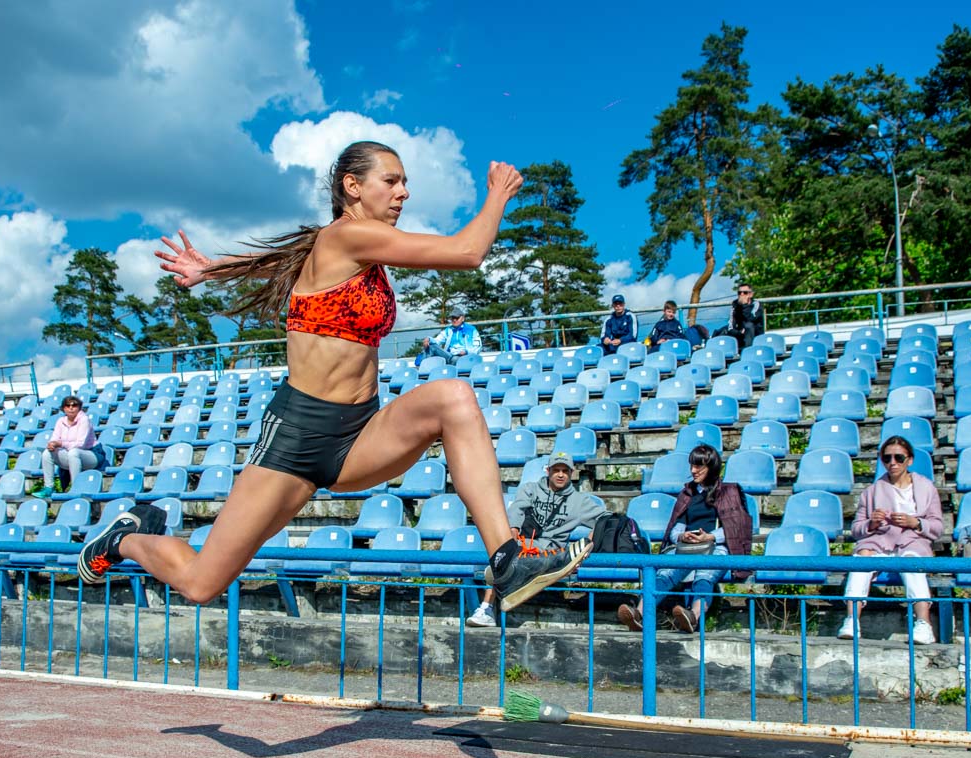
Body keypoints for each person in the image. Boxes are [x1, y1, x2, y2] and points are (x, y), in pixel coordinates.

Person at [76, 141, 591, 613]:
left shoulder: (342, 247)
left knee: (453, 399)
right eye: (391, 180)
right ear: (352, 185)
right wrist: (498, 194)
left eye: (404, 182)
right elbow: (466, 253)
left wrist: (213, 269)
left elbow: (280, 259)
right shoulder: (347, 235)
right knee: (201, 583)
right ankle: (126, 537)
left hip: (358, 433)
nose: (403, 192)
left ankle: (506, 559)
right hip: (298, 438)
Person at [617, 445, 752, 633]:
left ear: (712, 467)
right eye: (692, 466)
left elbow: (737, 527)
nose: (693, 471)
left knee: (705, 575)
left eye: (698, 467)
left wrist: (710, 536)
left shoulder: (729, 492)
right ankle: (639, 614)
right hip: (687, 546)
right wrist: (682, 535)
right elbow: (676, 527)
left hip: (716, 545)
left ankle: (693, 616)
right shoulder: (688, 493)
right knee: (665, 573)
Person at [467, 451, 605, 628]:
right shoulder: (530, 489)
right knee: (503, 555)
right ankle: (486, 609)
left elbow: (605, 520)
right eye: (556, 470)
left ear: (572, 473)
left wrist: (585, 546)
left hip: (551, 553)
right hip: (525, 547)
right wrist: (513, 528)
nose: (561, 474)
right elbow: (517, 508)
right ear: (548, 471)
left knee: (506, 562)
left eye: (565, 470)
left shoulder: (579, 501)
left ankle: (490, 605)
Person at [838, 436, 944, 644]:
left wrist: (915, 522)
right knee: (861, 559)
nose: (892, 463)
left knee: (911, 562)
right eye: (887, 458)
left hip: (912, 540)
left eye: (899, 457)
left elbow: (938, 527)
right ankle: (851, 619)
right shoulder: (871, 492)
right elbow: (857, 530)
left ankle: (923, 623)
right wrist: (872, 524)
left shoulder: (926, 488)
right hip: (878, 542)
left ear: (909, 460)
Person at [35, 395, 97, 499]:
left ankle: (76, 488)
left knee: (74, 452)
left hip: (90, 455)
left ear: (79, 407)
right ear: (64, 408)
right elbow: (55, 438)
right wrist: (51, 444)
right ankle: (49, 487)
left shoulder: (84, 420)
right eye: (68, 405)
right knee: (47, 452)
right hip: (71, 456)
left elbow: (80, 444)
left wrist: (60, 444)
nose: (71, 408)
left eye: (74, 405)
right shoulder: (60, 421)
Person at [728, 283, 765, 350]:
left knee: (749, 325)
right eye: (739, 293)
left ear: (750, 294)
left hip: (755, 335)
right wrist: (739, 332)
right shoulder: (735, 306)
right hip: (741, 335)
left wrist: (744, 305)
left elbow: (751, 318)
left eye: (745, 292)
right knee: (723, 330)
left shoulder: (756, 304)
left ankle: (748, 350)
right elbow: (730, 326)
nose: (742, 295)